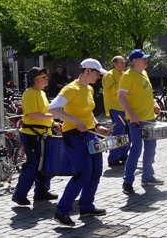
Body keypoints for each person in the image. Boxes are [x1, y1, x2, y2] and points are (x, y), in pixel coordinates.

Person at [48, 59, 109, 226]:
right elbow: (53, 109)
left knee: (96, 171)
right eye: (97, 73)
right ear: (87, 71)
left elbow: (88, 112)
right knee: (83, 173)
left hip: (90, 134)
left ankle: (86, 206)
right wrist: (75, 121)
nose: (99, 76)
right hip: (73, 136)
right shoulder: (70, 89)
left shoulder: (89, 89)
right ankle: (61, 211)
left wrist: (97, 125)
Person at [118, 49, 162, 195]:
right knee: (136, 149)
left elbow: (147, 93)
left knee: (151, 148)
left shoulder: (144, 73)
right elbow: (121, 98)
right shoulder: (127, 76)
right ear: (135, 61)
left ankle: (147, 177)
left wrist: (155, 103)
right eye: (143, 59)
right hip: (136, 120)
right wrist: (131, 114)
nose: (146, 61)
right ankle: (127, 181)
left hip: (149, 118)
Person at [12, 67, 58, 206]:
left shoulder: (41, 93)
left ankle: (41, 192)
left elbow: (42, 113)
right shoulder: (30, 93)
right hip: (32, 135)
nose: (47, 78)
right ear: (36, 79)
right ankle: (19, 195)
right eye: (44, 76)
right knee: (33, 165)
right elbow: (32, 115)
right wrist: (53, 115)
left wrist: (53, 122)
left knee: (46, 164)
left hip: (44, 133)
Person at [103, 56, 128, 167]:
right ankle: (112, 158)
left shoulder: (124, 75)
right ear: (114, 64)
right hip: (115, 107)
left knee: (128, 133)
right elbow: (113, 90)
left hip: (126, 108)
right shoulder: (109, 75)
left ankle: (123, 154)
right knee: (118, 133)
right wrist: (123, 80)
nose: (124, 65)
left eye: (124, 63)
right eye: (121, 63)